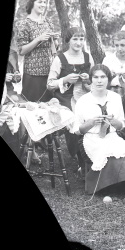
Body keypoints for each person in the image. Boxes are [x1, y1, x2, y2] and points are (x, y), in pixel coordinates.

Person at [72, 64, 125, 206]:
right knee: (111, 152)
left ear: (109, 79)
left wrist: (113, 121)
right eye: (96, 77)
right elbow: (77, 131)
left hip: (111, 136)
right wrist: (91, 122)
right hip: (92, 139)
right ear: (91, 79)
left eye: (103, 77)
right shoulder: (83, 101)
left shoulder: (116, 98)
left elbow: (121, 126)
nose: (99, 81)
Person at [47, 26, 94, 173]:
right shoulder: (59, 59)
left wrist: (88, 79)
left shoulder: (87, 57)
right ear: (68, 40)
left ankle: (94, 154)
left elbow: (95, 79)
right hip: (65, 98)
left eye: (81, 39)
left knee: (94, 115)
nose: (78, 43)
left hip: (85, 95)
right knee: (74, 118)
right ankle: (81, 159)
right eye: (75, 39)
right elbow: (49, 84)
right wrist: (65, 79)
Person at [15, 0, 59, 103]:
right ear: (32, 3)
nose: (43, 5)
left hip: (50, 73)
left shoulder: (48, 22)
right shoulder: (24, 24)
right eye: (40, 2)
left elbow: (54, 48)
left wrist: (55, 40)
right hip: (33, 75)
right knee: (32, 107)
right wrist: (38, 39)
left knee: (49, 106)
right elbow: (21, 51)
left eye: (44, 2)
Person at [102, 30, 125, 96]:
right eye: (117, 45)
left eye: (122, 45)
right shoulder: (108, 60)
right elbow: (102, 82)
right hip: (110, 93)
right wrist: (110, 77)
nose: (119, 48)